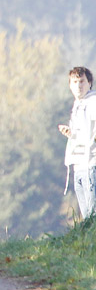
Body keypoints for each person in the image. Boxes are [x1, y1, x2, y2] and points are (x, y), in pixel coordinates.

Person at [58, 66, 96, 219]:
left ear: (89, 83)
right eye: (74, 82)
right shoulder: (78, 104)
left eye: (82, 81)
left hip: (91, 163)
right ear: (70, 85)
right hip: (79, 164)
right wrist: (71, 134)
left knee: (92, 215)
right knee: (87, 216)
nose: (78, 85)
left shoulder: (92, 101)